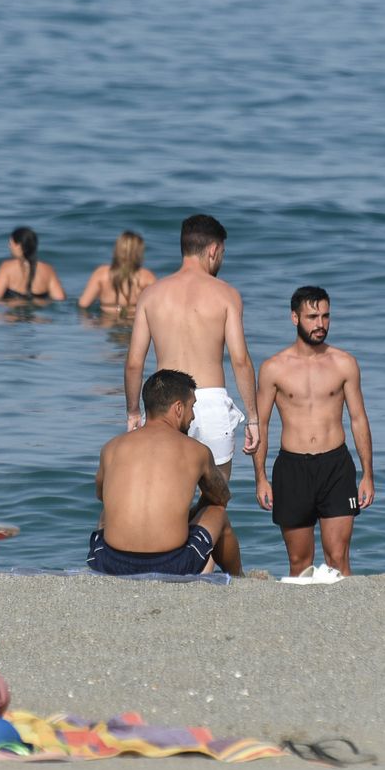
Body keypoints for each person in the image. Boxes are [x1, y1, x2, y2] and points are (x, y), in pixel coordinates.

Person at [125, 214, 258, 486]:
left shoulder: (151, 295)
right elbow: (240, 360)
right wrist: (253, 419)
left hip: (165, 405)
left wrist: (133, 412)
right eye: (222, 253)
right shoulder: (226, 295)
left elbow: (134, 363)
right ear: (213, 250)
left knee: (168, 496)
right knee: (215, 499)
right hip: (211, 404)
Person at [252, 286, 374, 577]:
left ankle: (344, 608)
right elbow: (261, 425)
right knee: (299, 562)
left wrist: (367, 474)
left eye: (325, 316)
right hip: (292, 468)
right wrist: (261, 478)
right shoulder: (273, 368)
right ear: (295, 318)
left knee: (338, 559)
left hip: (336, 466)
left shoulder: (344, 363)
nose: (320, 324)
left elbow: (358, 419)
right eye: (312, 317)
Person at [90, 369, 240, 576]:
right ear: (178, 408)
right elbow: (221, 498)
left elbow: (101, 495)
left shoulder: (111, 447)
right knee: (217, 513)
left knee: (109, 509)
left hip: (108, 561)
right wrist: (191, 514)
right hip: (170, 563)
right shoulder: (196, 450)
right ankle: (239, 578)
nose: (193, 416)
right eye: (192, 407)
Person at [78, 230, 158, 313]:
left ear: (117, 249)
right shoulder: (147, 277)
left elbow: (83, 304)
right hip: (133, 319)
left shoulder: (101, 273)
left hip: (106, 319)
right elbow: (156, 307)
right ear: (139, 252)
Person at [0, 226, 66, 301]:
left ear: (18, 246)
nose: (9, 246)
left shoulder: (7, 267)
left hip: (15, 311)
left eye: (11, 243)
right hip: (40, 312)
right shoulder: (48, 269)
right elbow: (60, 297)